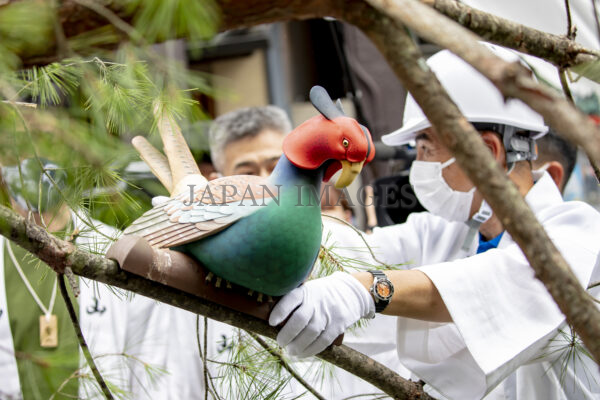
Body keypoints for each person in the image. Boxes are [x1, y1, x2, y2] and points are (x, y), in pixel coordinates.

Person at [270, 45, 600, 400]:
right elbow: (352, 247)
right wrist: (254, 215)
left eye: (426, 147)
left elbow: (500, 281)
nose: (419, 165)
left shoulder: (578, 231)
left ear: (487, 152)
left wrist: (365, 289)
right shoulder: (446, 233)